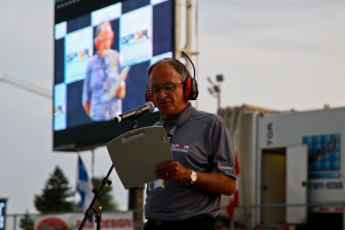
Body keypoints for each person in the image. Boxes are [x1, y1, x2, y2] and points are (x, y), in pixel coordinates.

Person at [143, 58, 237, 230]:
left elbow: (229, 185)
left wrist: (189, 175)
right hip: (153, 225)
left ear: (188, 88)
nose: (161, 95)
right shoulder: (154, 130)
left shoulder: (211, 124)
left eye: (169, 87)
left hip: (192, 224)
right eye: (155, 89)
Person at [82, 21, 130, 121]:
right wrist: (95, 118)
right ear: (97, 42)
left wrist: (120, 88)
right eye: (103, 40)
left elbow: (122, 95)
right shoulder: (91, 64)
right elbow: (85, 101)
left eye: (108, 39)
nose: (106, 44)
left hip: (115, 121)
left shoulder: (116, 57)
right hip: (98, 123)